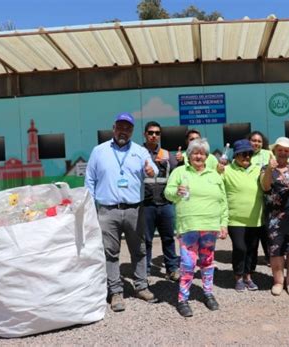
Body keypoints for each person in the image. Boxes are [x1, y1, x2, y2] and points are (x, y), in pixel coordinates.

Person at [85, 112, 159, 312]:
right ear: (114, 128)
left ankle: (141, 286)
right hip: (108, 211)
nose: (123, 131)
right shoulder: (99, 151)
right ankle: (116, 291)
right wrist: (90, 206)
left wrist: (152, 171)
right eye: (120, 127)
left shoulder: (139, 151)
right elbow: (89, 180)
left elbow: (152, 168)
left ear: (132, 131)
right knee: (110, 252)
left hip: (135, 209)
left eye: (128, 128)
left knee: (139, 250)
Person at [164, 138, 228, 317]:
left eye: (202, 153)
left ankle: (208, 293)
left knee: (207, 262)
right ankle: (182, 299)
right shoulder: (179, 172)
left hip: (210, 226)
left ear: (207, 156)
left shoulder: (215, 175)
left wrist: (223, 223)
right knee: (188, 263)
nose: (198, 156)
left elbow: (223, 201)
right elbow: (167, 193)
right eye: (195, 152)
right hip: (189, 226)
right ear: (188, 155)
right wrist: (176, 192)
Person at [260, 137, 289, 296]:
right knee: (276, 251)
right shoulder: (266, 168)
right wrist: (269, 170)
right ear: (274, 151)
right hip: (274, 217)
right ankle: (278, 281)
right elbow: (265, 186)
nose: (283, 153)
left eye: (286, 150)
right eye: (280, 150)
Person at [220, 139, 264, 292]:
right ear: (235, 155)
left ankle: (248, 276)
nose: (246, 157)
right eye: (242, 154)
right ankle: (238, 276)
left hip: (255, 218)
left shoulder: (258, 169)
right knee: (240, 248)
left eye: (249, 154)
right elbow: (216, 186)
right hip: (235, 218)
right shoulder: (226, 170)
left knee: (252, 249)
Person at [142, 121, 180, 281]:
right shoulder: (138, 152)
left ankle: (172, 269)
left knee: (168, 238)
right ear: (145, 134)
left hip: (166, 204)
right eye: (151, 132)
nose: (154, 135)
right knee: (146, 240)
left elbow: (180, 172)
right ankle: (145, 272)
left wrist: (182, 160)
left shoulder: (167, 154)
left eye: (157, 133)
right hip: (146, 204)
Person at [247, 130, 273, 265]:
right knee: (255, 229)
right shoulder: (245, 154)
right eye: (254, 140)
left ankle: (270, 256)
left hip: (267, 196)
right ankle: (252, 260)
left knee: (267, 229)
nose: (256, 143)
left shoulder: (268, 154)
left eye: (259, 141)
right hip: (251, 197)